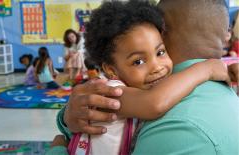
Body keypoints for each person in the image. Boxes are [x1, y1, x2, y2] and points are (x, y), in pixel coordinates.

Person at [49, 0, 239, 154]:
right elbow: (153, 103)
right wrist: (206, 70)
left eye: (160, 52)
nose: (157, 67)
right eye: (138, 61)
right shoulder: (112, 92)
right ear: (111, 70)